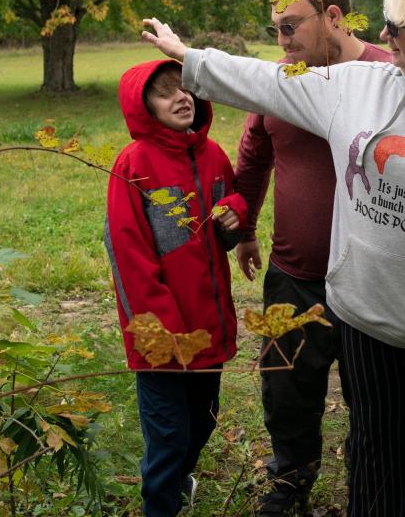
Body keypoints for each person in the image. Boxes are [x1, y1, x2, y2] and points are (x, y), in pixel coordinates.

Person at [141, 0, 405, 516]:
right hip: (367, 315)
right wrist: (188, 57)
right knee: (376, 458)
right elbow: (262, 82)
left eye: (397, 26)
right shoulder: (361, 88)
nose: (384, 36)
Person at [233, 0, 393, 516]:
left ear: (333, 16)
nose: (281, 41)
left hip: (371, 276)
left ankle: (370, 487)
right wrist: (247, 230)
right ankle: (290, 483)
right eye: (275, 28)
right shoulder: (280, 80)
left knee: (372, 397)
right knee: (287, 388)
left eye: (291, 26)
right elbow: (254, 155)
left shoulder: (389, 76)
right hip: (294, 272)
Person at [104, 59, 247, 517]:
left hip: (207, 327)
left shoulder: (213, 156)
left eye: (184, 88)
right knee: (167, 435)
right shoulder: (134, 166)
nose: (181, 97)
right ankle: (160, 504)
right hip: (163, 339)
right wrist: (162, 336)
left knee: (201, 422)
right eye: (165, 92)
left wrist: (234, 214)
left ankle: (179, 478)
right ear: (142, 106)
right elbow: (129, 257)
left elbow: (226, 221)